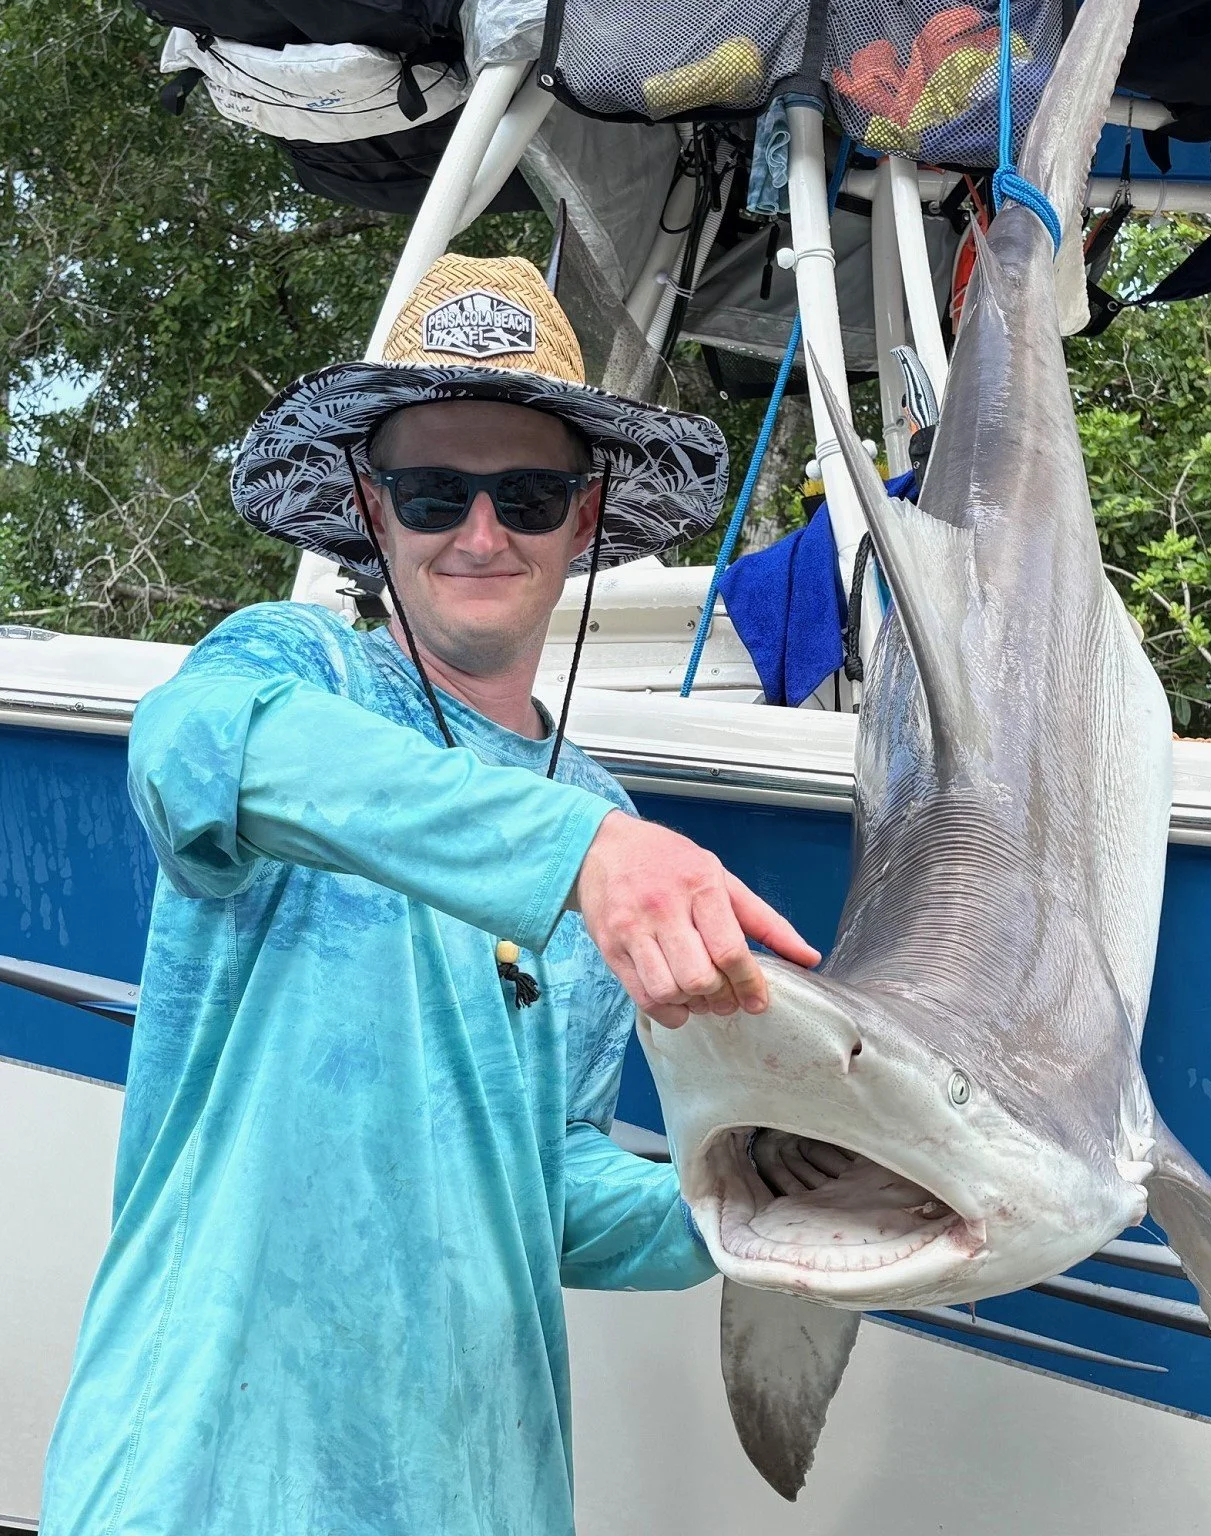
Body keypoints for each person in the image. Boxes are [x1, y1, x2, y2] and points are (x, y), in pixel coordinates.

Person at [40, 252, 820, 1536]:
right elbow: (194, 753)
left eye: (524, 493)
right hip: (198, 1485)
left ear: (585, 516)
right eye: (431, 490)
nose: (477, 532)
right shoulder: (293, 673)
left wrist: (743, 1197)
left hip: (476, 1489)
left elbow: (548, 1180)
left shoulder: (608, 821)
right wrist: (573, 857)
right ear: (368, 506)